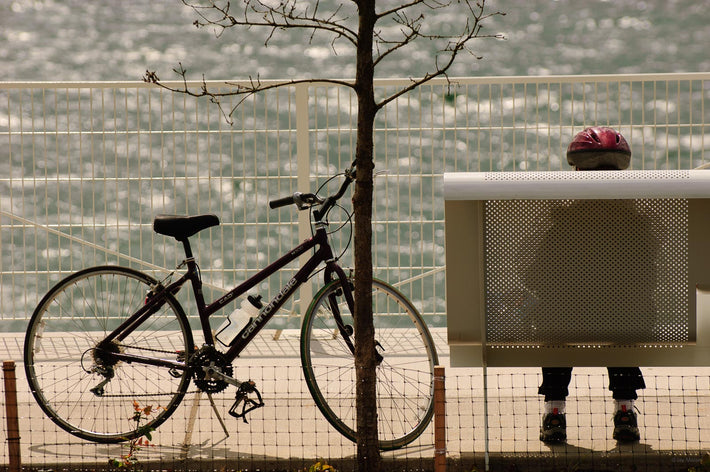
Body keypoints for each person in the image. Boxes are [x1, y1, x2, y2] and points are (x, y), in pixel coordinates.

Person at [525, 127, 659, 444]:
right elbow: (650, 280)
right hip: (627, 324)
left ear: (577, 172)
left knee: (554, 317)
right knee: (627, 315)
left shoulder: (561, 223)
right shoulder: (637, 224)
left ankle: (555, 412)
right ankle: (625, 410)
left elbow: (534, 277)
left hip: (562, 324)